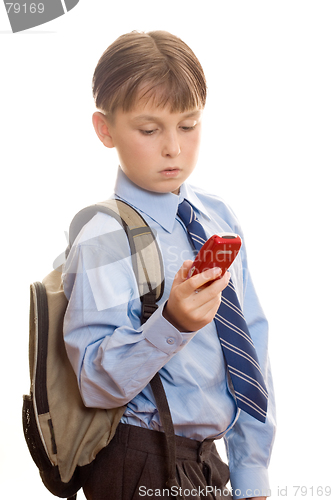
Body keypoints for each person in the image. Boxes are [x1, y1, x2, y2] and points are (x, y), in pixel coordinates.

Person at [62, 30, 276, 500]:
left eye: (188, 124)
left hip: (208, 463)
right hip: (138, 461)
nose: (173, 148)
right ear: (105, 130)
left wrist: (251, 472)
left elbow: (250, 346)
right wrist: (172, 322)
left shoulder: (216, 216)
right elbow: (95, 382)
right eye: (149, 129)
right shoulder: (104, 236)